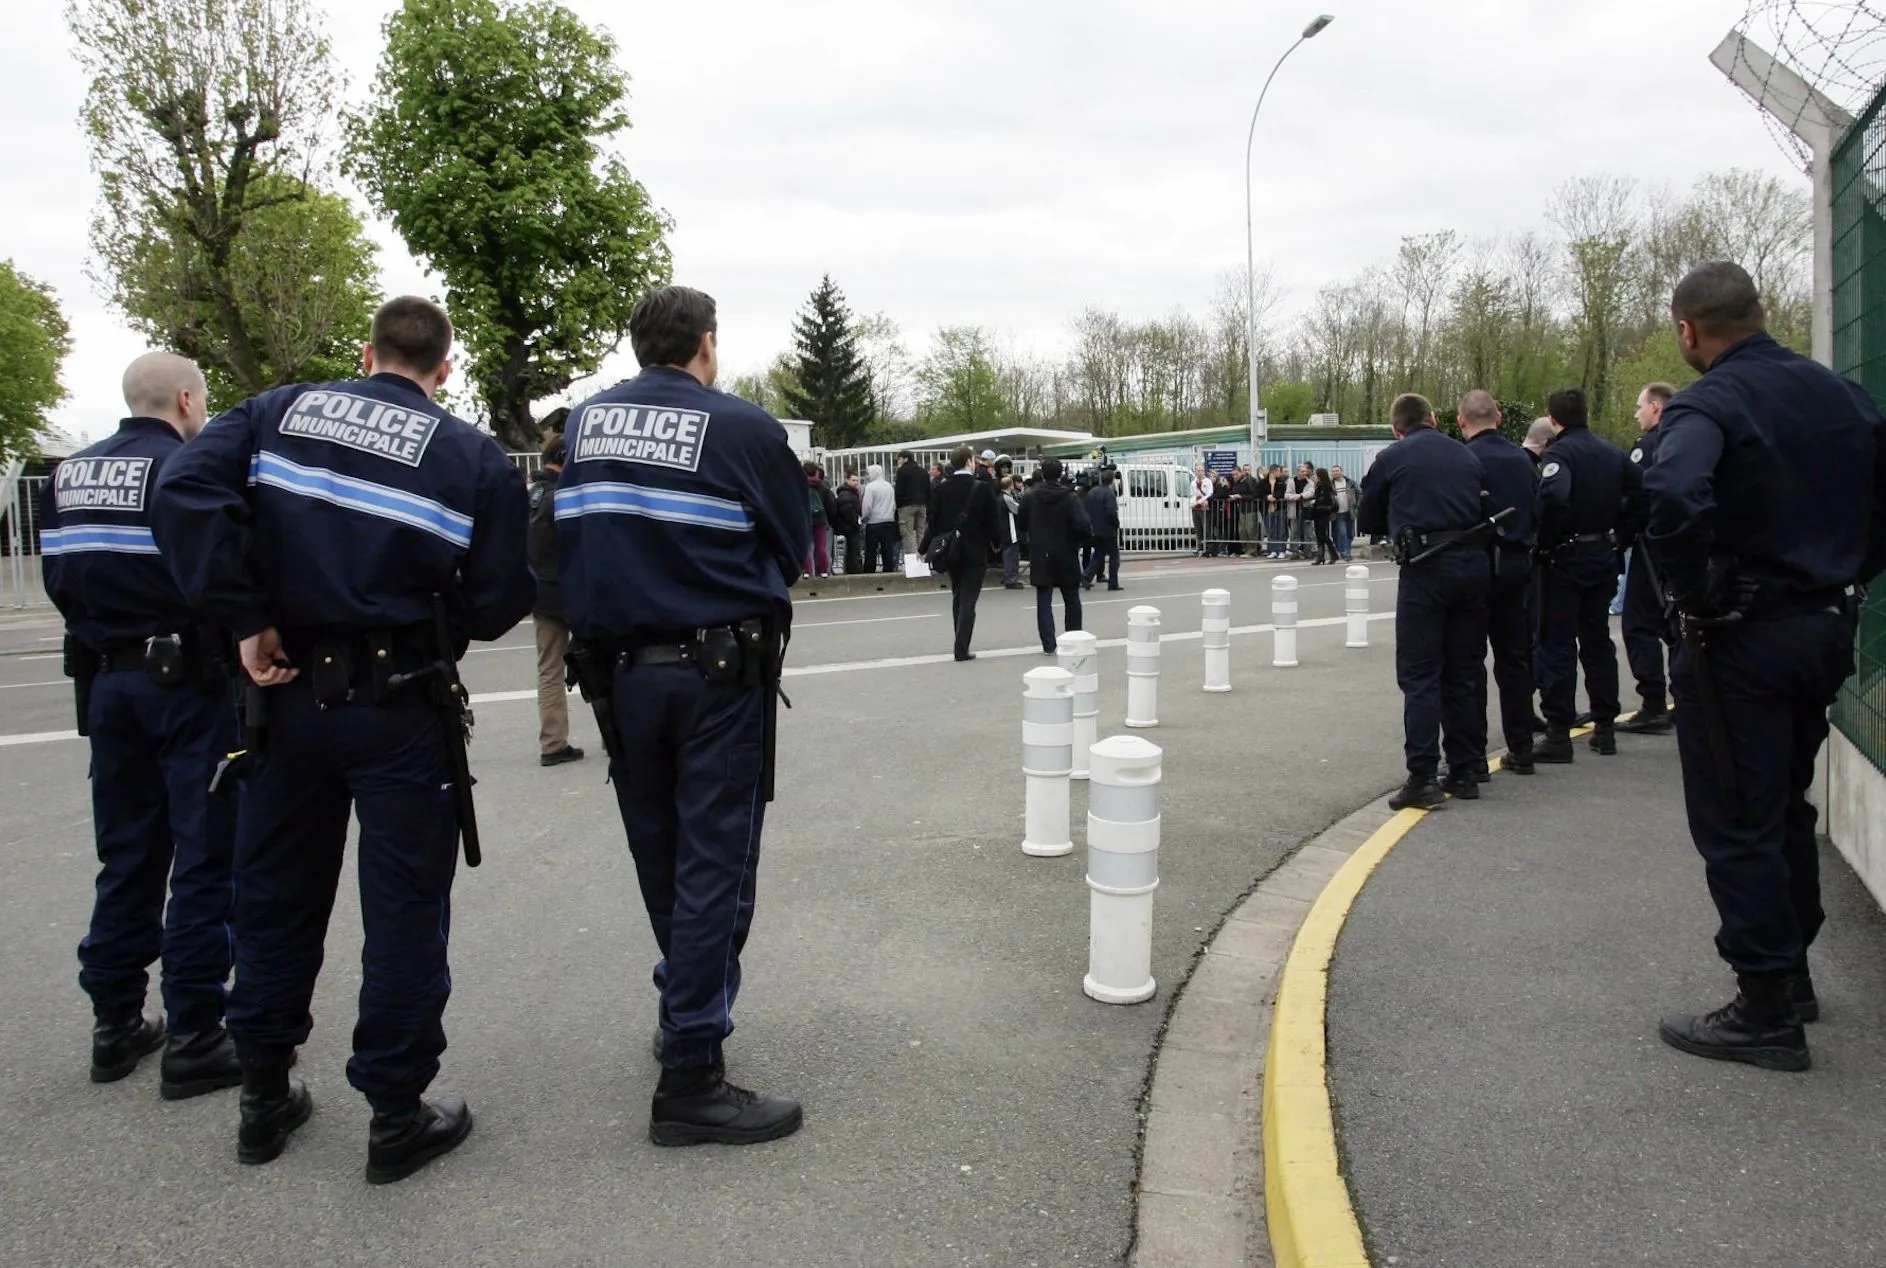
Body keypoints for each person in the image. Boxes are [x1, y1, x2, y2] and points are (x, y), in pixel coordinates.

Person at [151, 297, 534, 1179]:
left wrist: (244, 614)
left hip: (283, 696)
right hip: (402, 701)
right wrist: (441, 622)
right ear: (444, 367)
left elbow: (182, 490)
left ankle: (262, 1093)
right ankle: (395, 1117)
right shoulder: (469, 453)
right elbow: (504, 591)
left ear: (366, 354)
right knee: (403, 910)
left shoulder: (276, 411)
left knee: (275, 895)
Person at [553, 284, 811, 1141]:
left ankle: (685, 1007)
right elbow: (786, 542)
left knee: (663, 855)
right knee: (716, 862)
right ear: (706, 343)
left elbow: (557, 548)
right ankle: (692, 1071)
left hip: (622, 676)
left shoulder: (583, 426)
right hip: (715, 674)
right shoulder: (740, 427)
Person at [1645, 261, 1885, 1072]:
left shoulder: (1711, 402)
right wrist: (1845, 571)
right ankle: (1795, 969)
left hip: (1741, 636)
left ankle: (1766, 1006)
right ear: (1760, 312)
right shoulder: (1840, 394)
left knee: (1737, 814)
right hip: (1823, 624)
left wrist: (1691, 591)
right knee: (1784, 802)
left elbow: (1674, 494)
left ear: (1688, 330)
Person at [41, 351, 242, 1100]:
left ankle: (115, 1020)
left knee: (126, 852)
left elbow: (61, 580)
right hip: (187, 683)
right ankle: (195, 1029)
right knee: (203, 854)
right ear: (187, 400)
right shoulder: (186, 472)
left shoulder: (67, 476)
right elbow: (217, 578)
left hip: (108, 681)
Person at [1357, 393, 1492, 810]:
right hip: (1473, 567)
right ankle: (1466, 769)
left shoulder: (1393, 456)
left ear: (1398, 428)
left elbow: (1367, 517)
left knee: (1420, 676)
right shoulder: (1466, 455)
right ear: (1434, 419)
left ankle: (1423, 776)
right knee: (1464, 671)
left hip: (1426, 569)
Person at [1533, 387, 1639, 762]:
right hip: (1603, 555)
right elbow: (1642, 493)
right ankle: (1605, 727)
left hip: (1565, 557)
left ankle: (1559, 732)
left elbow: (1554, 497)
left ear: (1553, 419)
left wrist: (1545, 541)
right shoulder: (1612, 453)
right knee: (1597, 642)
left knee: (1558, 644)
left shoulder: (1560, 454)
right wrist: (1621, 536)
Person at [1458, 390, 1539, 775]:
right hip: (1518, 563)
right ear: (1500, 416)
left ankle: (1472, 757)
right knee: (1514, 660)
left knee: (1470, 662)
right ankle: (1521, 745)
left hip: (1478, 564)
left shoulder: (1465, 459)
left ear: (1461, 421)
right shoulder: (1523, 461)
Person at [1617, 382, 1677, 734]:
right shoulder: (1688, 440)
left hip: (1650, 545)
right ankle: (1686, 697)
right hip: (1682, 544)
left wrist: (1620, 537)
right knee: (1677, 623)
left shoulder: (1648, 447)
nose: (1637, 413)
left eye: (1640, 406)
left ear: (1656, 407)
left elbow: (1636, 497)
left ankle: (1653, 703)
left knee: (1639, 623)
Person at [529, 430, 583, 767]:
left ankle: (553, 742)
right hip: (573, 592)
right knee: (601, 662)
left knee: (549, 669)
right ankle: (615, 734)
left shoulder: (531, 493)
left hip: (541, 594)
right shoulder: (563, 496)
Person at [926, 446, 1003, 661]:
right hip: (976, 548)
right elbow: (993, 521)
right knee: (969, 598)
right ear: (969, 462)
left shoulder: (941, 488)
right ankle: (961, 647)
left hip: (951, 549)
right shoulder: (982, 487)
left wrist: (925, 548)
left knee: (957, 594)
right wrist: (997, 542)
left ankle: (958, 639)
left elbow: (933, 522)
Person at [1017, 459, 1093, 653]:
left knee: (1043, 599)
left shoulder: (1030, 497)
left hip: (1041, 552)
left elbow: (1022, 523)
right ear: (1060, 474)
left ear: (1042, 474)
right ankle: (1074, 637)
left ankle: (1048, 644)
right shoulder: (1070, 497)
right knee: (1071, 597)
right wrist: (1077, 541)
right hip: (1066, 551)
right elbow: (1083, 524)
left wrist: (1031, 540)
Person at [1083, 468, 1123, 590]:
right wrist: (1116, 524)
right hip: (1108, 530)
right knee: (1114, 557)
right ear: (1111, 481)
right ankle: (1113, 583)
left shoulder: (1092, 492)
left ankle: (1087, 576)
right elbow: (1111, 512)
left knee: (1098, 555)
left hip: (1094, 528)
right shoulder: (1109, 493)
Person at [861, 462, 898, 573]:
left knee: (871, 550)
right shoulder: (889, 486)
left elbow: (867, 506)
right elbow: (894, 505)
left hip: (873, 522)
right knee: (887, 549)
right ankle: (888, 569)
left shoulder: (870, 487)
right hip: (888, 521)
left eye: (868, 473)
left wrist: (864, 518)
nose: (867, 476)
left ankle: (869, 570)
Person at [894, 451, 929, 560]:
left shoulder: (902, 471)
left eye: (899, 459)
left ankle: (913, 563)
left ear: (905, 459)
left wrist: (899, 506)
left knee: (908, 534)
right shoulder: (923, 471)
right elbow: (929, 489)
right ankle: (923, 561)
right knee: (921, 532)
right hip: (923, 505)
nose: (898, 462)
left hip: (907, 505)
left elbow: (898, 490)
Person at [803, 462, 835, 578]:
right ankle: (823, 571)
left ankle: (807, 571)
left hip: (806, 519)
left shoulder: (800, 485)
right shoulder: (823, 486)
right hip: (821, 519)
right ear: (816, 472)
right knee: (821, 547)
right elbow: (830, 504)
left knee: (807, 547)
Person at [833, 471, 864, 576]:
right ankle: (855, 569)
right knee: (854, 549)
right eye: (853, 480)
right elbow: (847, 509)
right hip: (849, 525)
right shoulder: (847, 494)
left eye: (857, 480)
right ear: (847, 480)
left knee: (852, 549)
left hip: (849, 524)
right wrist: (854, 522)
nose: (856, 482)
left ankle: (851, 569)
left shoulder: (849, 492)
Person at [997, 474, 1024, 589]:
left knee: (1007, 554)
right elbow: (1018, 510)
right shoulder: (1007, 498)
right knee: (1012, 555)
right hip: (1010, 530)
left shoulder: (999, 497)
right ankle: (1011, 579)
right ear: (1010, 485)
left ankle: (1009, 576)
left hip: (1003, 529)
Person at [1330, 465, 1359, 561]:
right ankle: (1346, 553)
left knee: (1350, 534)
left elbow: (1359, 493)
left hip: (1349, 511)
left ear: (1341, 472)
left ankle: (1342, 549)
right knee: (1342, 533)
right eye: (1333, 471)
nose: (1335, 473)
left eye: (1337, 471)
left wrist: (1358, 505)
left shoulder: (1350, 483)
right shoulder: (1331, 485)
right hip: (1338, 513)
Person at [1309, 467, 1337, 564]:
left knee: (1322, 534)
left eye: (1316, 475)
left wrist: (1315, 501)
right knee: (1319, 535)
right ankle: (1320, 556)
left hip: (1323, 511)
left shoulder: (1325, 485)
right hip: (1318, 512)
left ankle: (1333, 554)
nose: (1314, 477)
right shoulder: (1320, 485)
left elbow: (1326, 499)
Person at [1267, 465, 1289, 558]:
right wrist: (1267, 496)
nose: (1279, 473)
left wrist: (1274, 496)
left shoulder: (1281, 481)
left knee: (1281, 530)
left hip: (1280, 508)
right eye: (1278, 471)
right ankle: (1273, 550)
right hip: (1268, 509)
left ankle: (1281, 550)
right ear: (1273, 471)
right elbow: (1259, 491)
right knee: (1272, 530)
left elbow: (1283, 492)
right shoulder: (1265, 481)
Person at [1189, 465, 1212, 555]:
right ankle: (1199, 547)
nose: (1200, 472)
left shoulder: (1208, 481)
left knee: (1206, 528)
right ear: (1195, 471)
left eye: (1202, 470)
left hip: (1204, 507)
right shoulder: (1193, 482)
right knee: (1198, 528)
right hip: (1195, 507)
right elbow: (1192, 494)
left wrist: (1200, 501)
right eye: (1198, 470)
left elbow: (1209, 493)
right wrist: (1192, 503)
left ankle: (1207, 548)